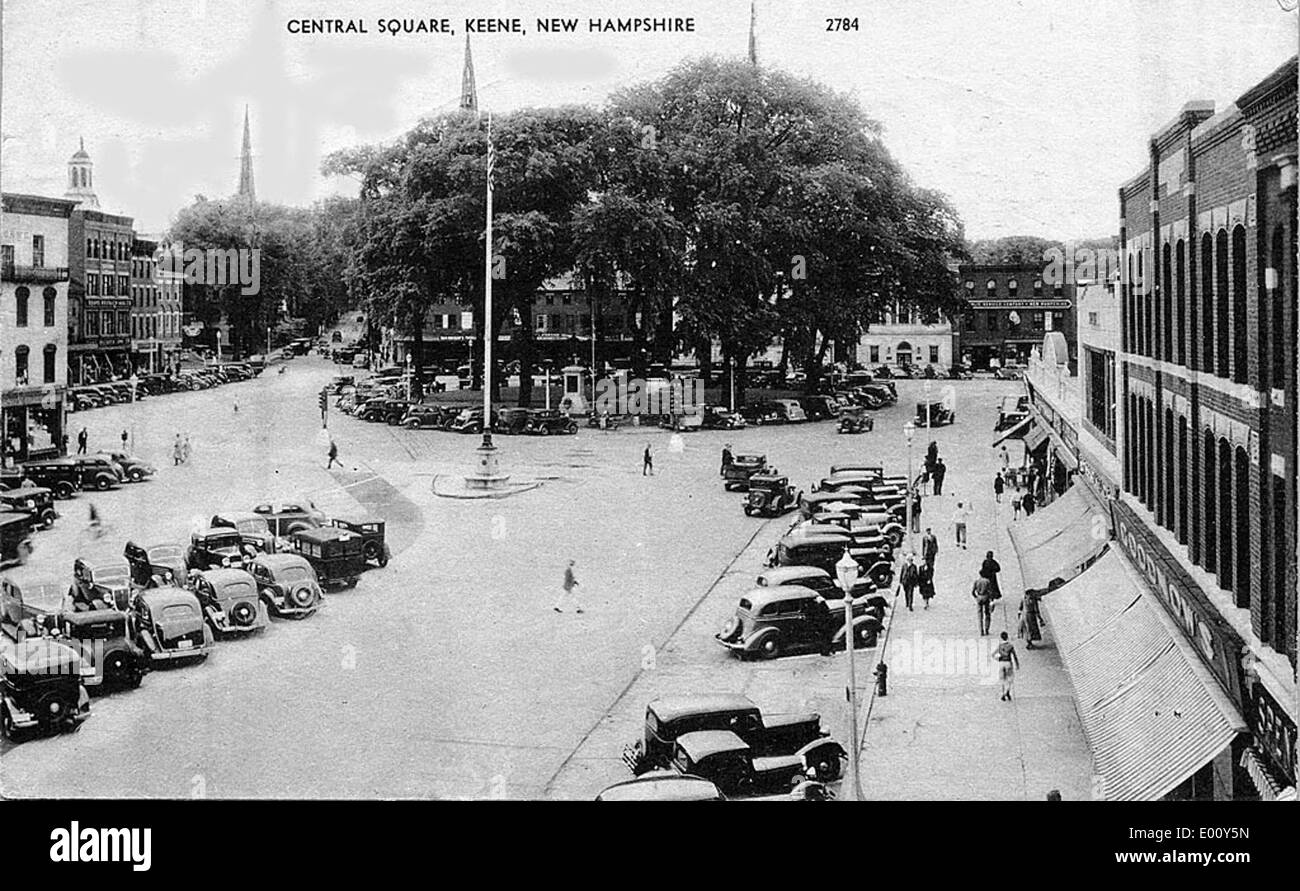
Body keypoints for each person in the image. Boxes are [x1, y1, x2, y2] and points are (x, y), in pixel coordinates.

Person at [992, 631, 1020, 700]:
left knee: (1002, 679)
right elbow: (1014, 656)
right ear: (1007, 637)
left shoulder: (1000, 646)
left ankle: (1003, 693)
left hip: (1001, 663)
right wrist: (1017, 664)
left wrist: (998, 659)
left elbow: (993, 655)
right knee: (1010, 678)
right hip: (1008, 663)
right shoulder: (1010, 646)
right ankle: (1007, 692)